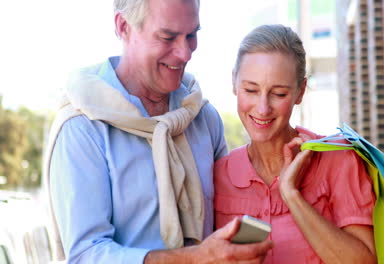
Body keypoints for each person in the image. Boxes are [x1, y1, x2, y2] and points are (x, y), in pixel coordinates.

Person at [43, 0, 272, 263]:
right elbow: (86, 254)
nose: (185, 53)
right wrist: (193, 258)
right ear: (123, 27)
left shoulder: (202, 117)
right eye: (168, 37)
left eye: (192, 35)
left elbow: (230, 213)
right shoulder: (82, 127)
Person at [214, 24, 377, 264]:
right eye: (250, 90)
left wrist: (292, 195)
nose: (262, 108)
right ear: (234, 83)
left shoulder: (338, 159)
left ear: (300, 92)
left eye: (278, 94)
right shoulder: (218, 175)